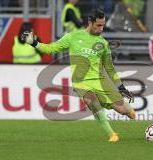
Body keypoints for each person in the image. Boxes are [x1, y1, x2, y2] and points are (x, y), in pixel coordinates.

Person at [21, 9, 135, 142]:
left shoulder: (103, 43)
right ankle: (112, 134)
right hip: (80, 82)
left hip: (100, 81)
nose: (101, 28)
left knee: (124, 110)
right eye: (98, 25)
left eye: (103, 25)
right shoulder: (72, 37)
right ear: (90, 22)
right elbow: (51, 49)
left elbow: (109, 68)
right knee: (92, 102)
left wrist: (120, 87)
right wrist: (33, 42)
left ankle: (129, 111)